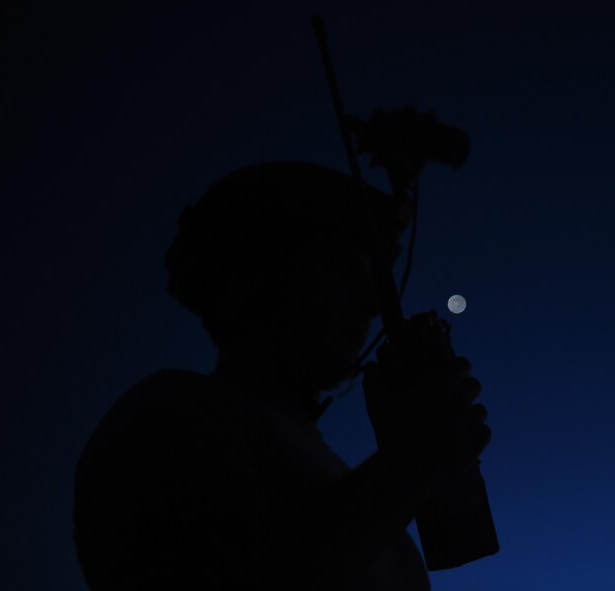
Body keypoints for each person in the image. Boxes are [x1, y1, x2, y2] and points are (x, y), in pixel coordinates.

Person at [72, 161, 491, 590]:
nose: (369, 305)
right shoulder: (172, 413)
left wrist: (411, 458)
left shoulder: (326, 469)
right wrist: (410, 464)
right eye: (344, 270)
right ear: (258, 275)